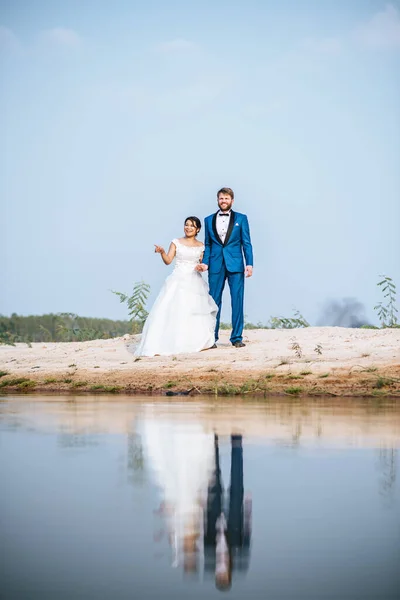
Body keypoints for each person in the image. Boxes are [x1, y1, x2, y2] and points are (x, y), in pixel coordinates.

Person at [135, 216, 218, 357]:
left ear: (197, 229)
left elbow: (203, 264)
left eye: (192, 225)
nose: (188, 227)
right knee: (174, 309)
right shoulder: (176, 242)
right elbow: (168, 261)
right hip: (178, 279)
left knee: (194, 311)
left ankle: (197, 341)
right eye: (186, 225)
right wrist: (162, 252)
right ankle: (170, 342)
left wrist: (201, 267)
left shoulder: (201, 246)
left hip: (194, 281)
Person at [196, 187, 253, 348]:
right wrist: (206, 262)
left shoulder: (241, 219)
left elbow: (246, 243)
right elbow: (208, 244)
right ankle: (211, 338)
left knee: (237, 300)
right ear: (217, 200)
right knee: (213, 301)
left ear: (232, 201)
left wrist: (249, 263)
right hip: (215, 265)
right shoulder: (208, 220)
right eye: (221, 198)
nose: (224, 201)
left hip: (235, 265)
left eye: (226, 198)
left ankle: (236, 337)